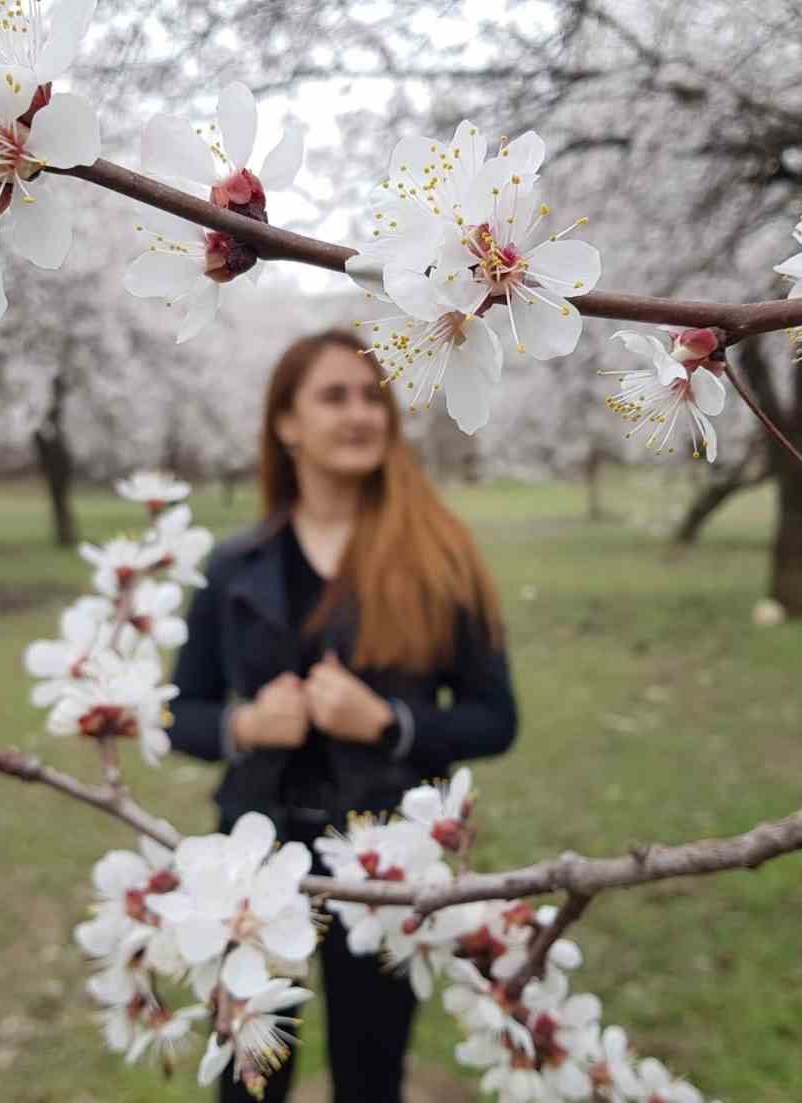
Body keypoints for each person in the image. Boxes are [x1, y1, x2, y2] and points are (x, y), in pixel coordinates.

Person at [168, 328, 519, 1102]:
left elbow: (497, 718)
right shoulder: (234, 567)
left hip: (386, 862)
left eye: (373, 397)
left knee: (371, 1072)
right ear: (285, 423)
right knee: (248, 1075)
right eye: (334, 396)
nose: (361, 413)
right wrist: (246, 727)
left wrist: (389, 721)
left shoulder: (439, 556)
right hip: (253, 861)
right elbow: (179, 715)